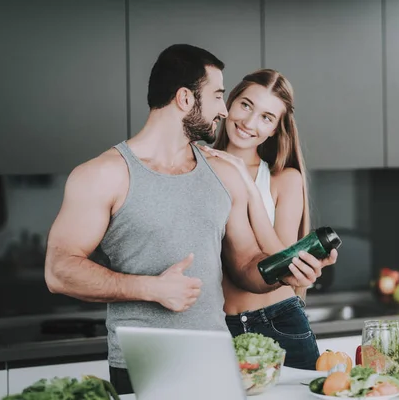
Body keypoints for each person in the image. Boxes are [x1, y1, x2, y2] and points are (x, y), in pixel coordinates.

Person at [43, 44, 338, 395]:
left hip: (215, 357)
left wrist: (287, 270)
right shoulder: (104, 174)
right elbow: (59, 270)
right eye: (217, 95)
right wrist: (149, 288)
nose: (225, 110)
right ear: (185, 98)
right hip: (144, 362)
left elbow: (246, 263)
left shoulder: (222, 171)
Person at [198, 69, 320, 370]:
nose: (249, 123)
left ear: (276, 129)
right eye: (246, 105)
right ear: (228, 103)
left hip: (279, 323)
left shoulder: (283, 179)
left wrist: (250, 188)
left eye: (266, 117)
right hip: (215, 328)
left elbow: (284, 260)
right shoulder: (196, 164)